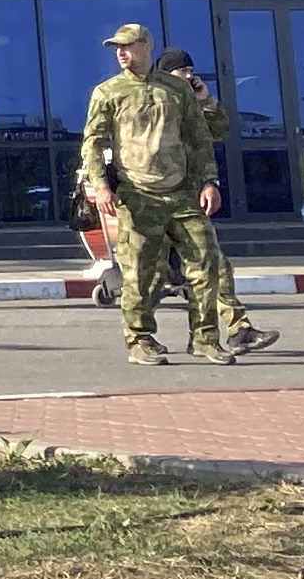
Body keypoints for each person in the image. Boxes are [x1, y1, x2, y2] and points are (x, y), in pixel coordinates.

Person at [84, 24, 235, 367]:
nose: (121, 52)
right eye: (116, 48)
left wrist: (210, 182)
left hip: (181, 194)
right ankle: (140, 340)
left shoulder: (176, 90)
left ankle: (205, 339)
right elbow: (93, 142)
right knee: (138, 273)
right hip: (137, 196)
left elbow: (199, 140)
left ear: (146, 46)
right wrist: (102, 185)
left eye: (128, 46)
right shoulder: (108, 92)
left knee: (206, 265)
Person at [157, 47, 279, 357]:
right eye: (182, 71)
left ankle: (238, 330)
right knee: (146, 277)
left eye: (190, 70)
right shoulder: (154, 101)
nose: (189, 76)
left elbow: (219, 131)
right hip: (151, 202)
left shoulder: (193, 104)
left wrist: (206, 101)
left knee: (214, 265)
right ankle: (142, 338)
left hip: (187, 199)